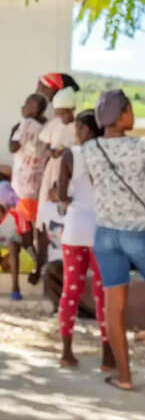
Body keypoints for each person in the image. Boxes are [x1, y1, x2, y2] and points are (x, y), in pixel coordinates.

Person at [81, 89, 145, 392]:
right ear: (119, 115)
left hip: (105, 234)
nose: (133, 115)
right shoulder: (141, 147)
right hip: (139, 232)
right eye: (130, 110)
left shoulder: (89, 148)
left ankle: (124, 376)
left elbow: (96, 184)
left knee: (113, 307)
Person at [56, 110, 113, 370]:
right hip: (101, 229)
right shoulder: (107, 153)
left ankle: (67, 352)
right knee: (103, 294)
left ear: (87, 130)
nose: (75, 132)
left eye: (78, 128)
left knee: (70, 292)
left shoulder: (70, 155)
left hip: (75, 229)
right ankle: (107, 355)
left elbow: (61, 195)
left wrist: (72, 202)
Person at [10, 93, 48, 225]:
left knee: (24, 222)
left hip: (24, 182)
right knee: (34, 219)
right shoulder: (44, 126)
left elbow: (13, 147)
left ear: (33, 107)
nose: (22, 107)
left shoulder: (26, 123)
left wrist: (12, 131)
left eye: (26, 104)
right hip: (37, 180)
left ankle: (29, 244)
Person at [38, 87, 77, 209]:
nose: (61, 116)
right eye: (58, 113)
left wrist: (66, 152)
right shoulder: (54, 124)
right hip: (53, 169)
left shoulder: (78, 126)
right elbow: (42, 150)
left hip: (70, 170)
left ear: (72, 110)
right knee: (47, 201)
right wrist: (51, 152)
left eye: (64, 113)